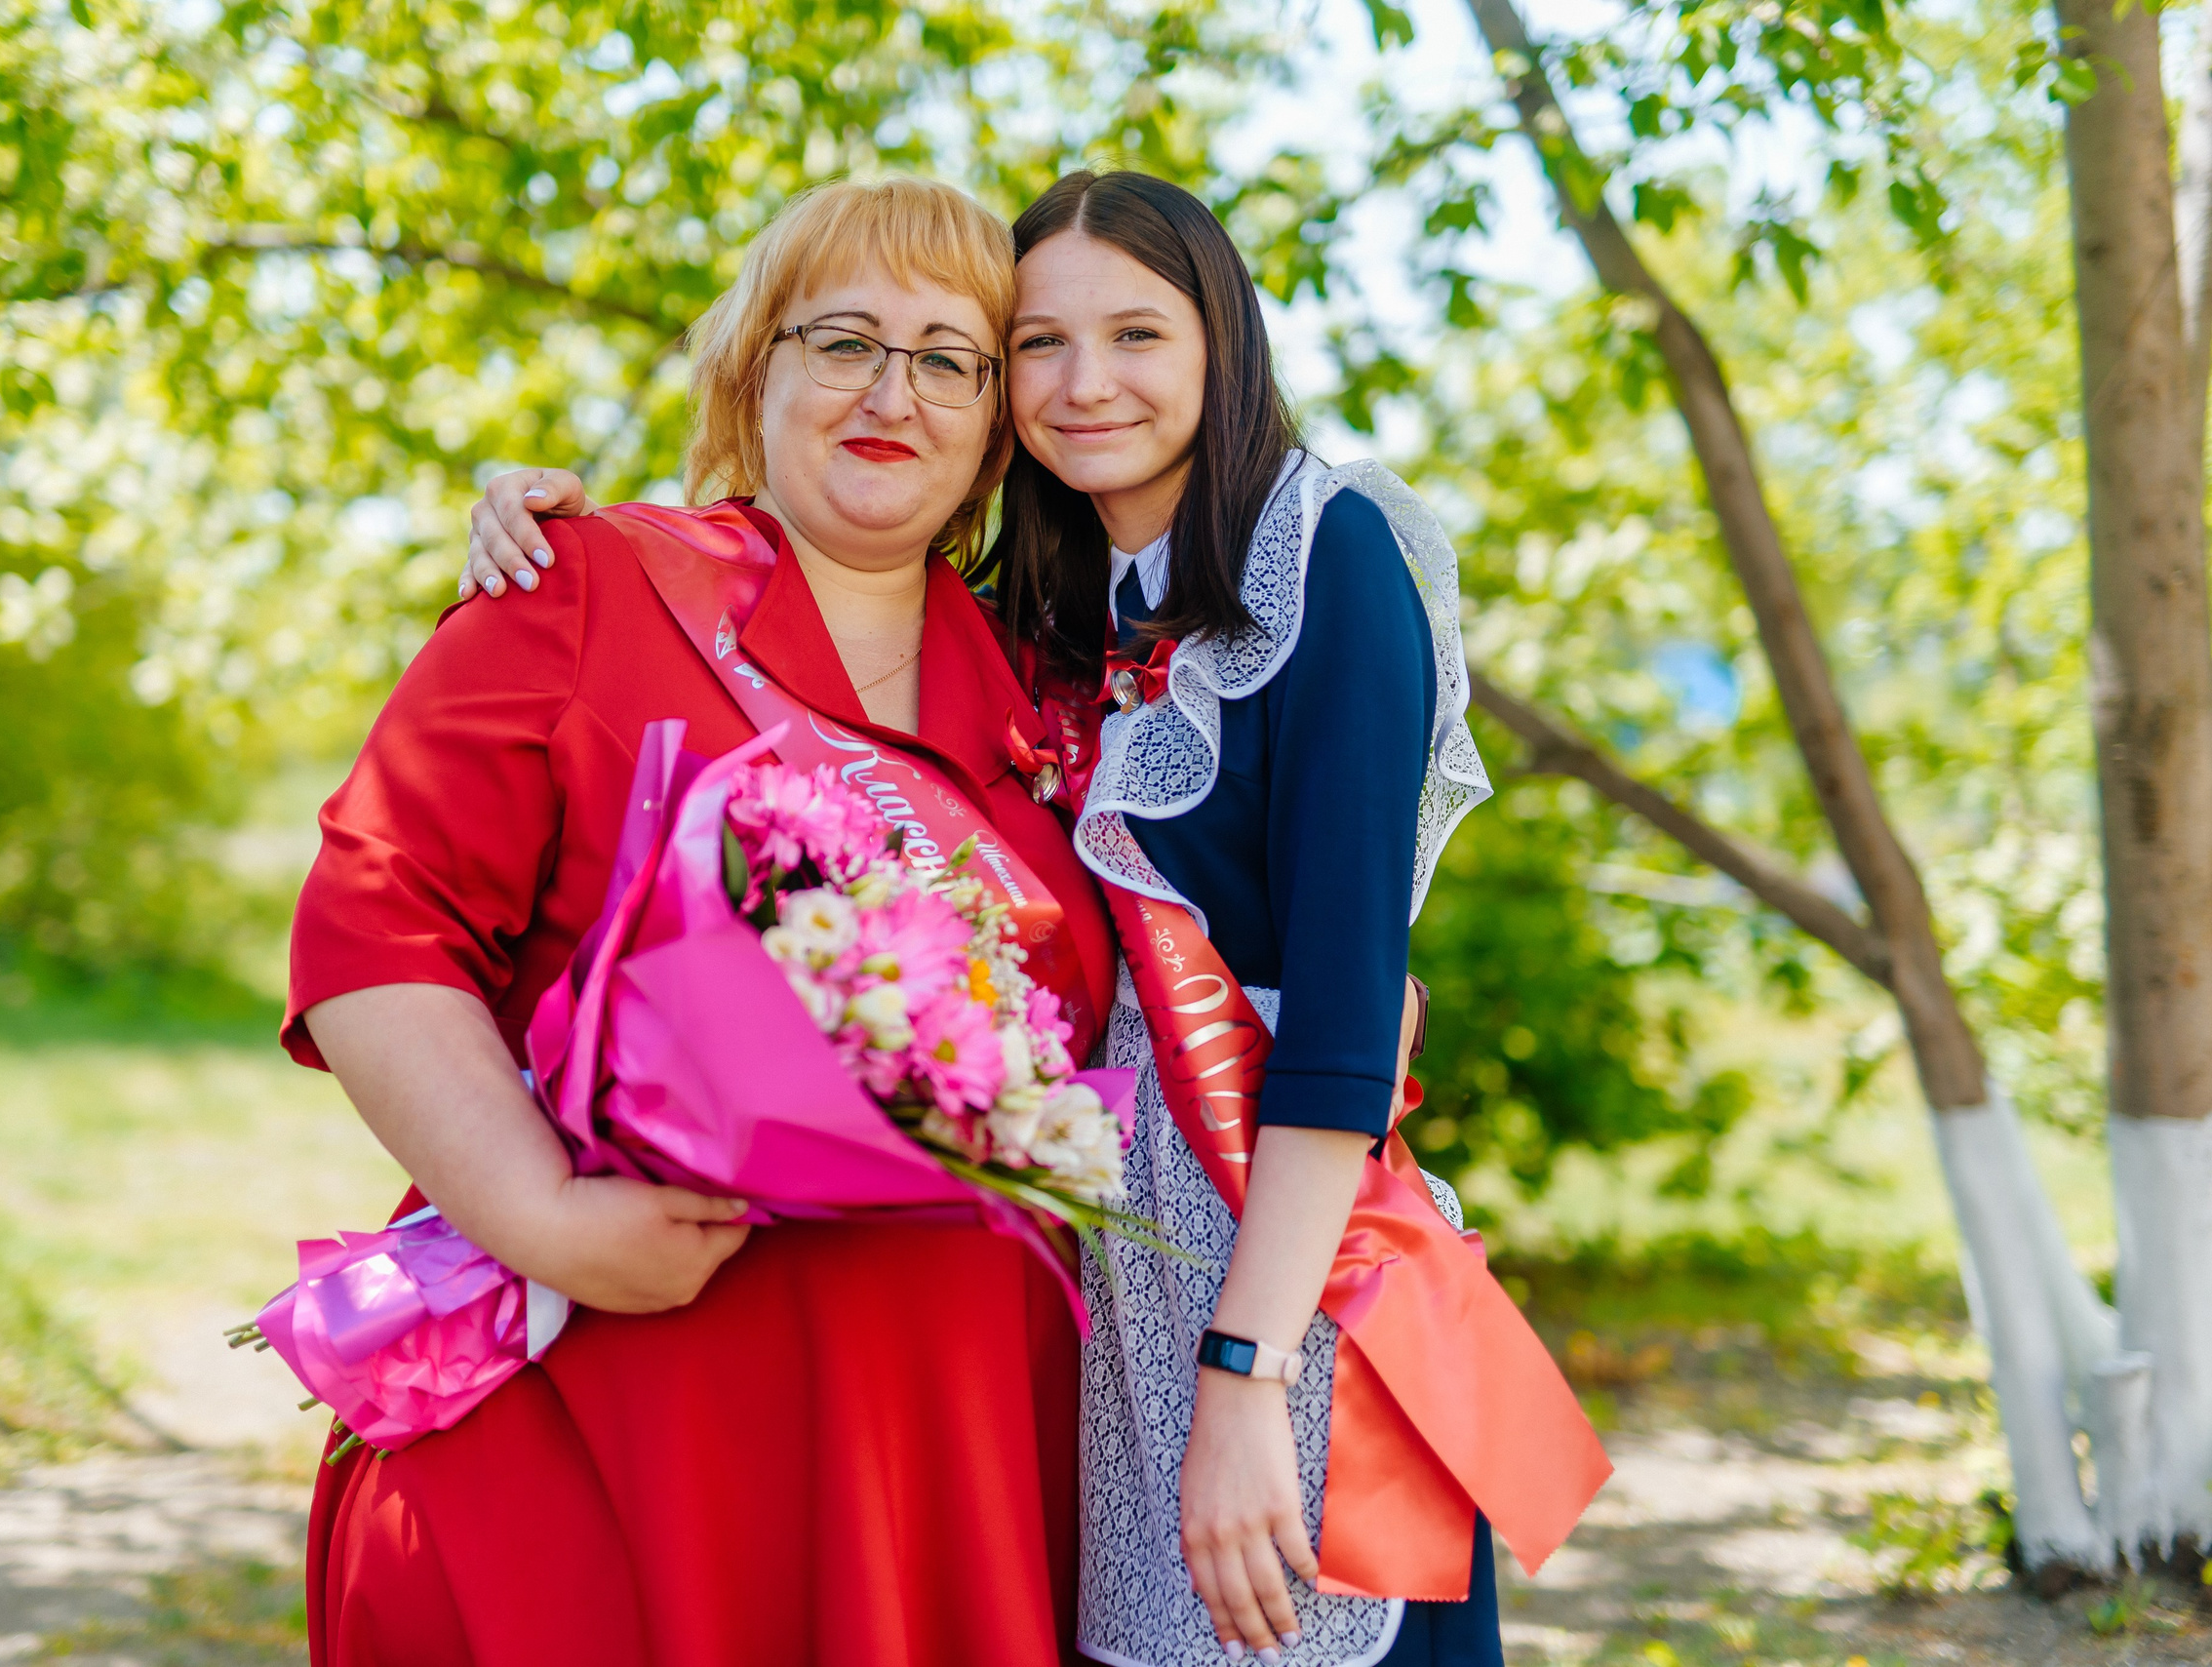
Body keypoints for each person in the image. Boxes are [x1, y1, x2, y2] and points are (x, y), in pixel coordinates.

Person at [461, 170, 1608, 1667]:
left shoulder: (1328, 558)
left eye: (1137, 335)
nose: (1086, 386)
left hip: (1282, 1280)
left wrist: (1247, 1378)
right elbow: (810, 563)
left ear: (1223, 346)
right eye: (1040, 347)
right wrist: (542, 509)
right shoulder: (1050, 611)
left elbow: (1340, 1017)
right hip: (1110, 1289)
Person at [288, 176, 1119, 1667]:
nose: (892, 391)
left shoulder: (1059, 710)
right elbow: (373, 929)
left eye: (950, 357)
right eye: (844, 339)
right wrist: (541, 1215)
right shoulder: (586, 591)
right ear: (758, 369)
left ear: (1002, 422)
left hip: (957, 1474)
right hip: (615, 1429)